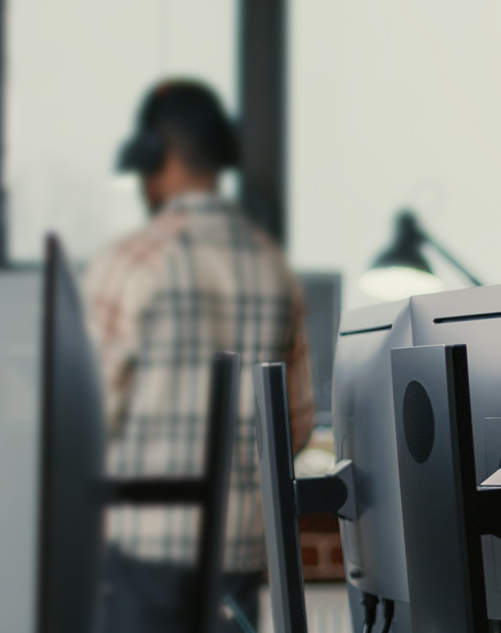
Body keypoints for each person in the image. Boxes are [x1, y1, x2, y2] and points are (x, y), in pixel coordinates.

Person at [86, 79, 315, 633]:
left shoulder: (130, 263)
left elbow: (87, 424)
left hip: (143, 562)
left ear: (152, 157)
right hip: (238, 564)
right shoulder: (273, 269)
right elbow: (298, 428)